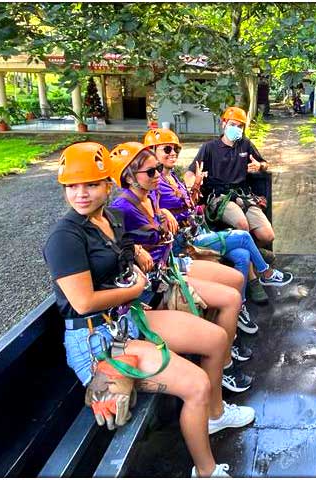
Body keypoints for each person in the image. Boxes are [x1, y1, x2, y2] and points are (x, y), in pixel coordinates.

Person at [43, 142, 254, 477]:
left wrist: (138, 251)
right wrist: (136, 288)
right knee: (196, 384)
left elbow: (124, 253)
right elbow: (82, 303)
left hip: (126, 319)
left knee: (215, 339)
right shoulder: (65, 238)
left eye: (91, 184)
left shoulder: (110, 217)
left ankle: (215, 415)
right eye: (72, 186)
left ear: (107, 184)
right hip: (98, 340)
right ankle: (206, 471)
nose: (80, 194)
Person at [108, 141, 252, 393]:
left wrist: (164, 210)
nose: (158, 175)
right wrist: (134, 248)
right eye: (151, 171)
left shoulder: (151, 194)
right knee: (231, 285)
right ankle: (224, 362)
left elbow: (175, 209)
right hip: (155, 283)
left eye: (158, 169)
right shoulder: (121, 208)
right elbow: (114, 242)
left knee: (236, 279)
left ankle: (227, 347)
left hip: (171, 265)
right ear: (129, 177)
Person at [143, 128, 293, 330]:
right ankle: (265, 272)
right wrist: (161, 212)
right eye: (167, 149)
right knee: (242, 235)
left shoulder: (172, 178)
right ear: (151, 152)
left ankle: (238, 308)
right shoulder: (154, 182)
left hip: (198, 228)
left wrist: (196, 187)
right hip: (186, 241)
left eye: (176, 149)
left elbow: (187, 200)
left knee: (242, 255)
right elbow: (147, 207)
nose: (173, 153)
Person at [186, 106, 279, 252]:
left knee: (267, 236)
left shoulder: (245, 144)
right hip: (219, 197)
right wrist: (192, 185)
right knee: (243, 225)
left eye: (240, 126)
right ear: (224, 124)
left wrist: (260, 166)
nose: (236, 128)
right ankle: (254, 267)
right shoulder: (209, 148)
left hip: (243, 196)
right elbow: (190, 173)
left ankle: (232, 253)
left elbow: (265, 163)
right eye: (232, 125)